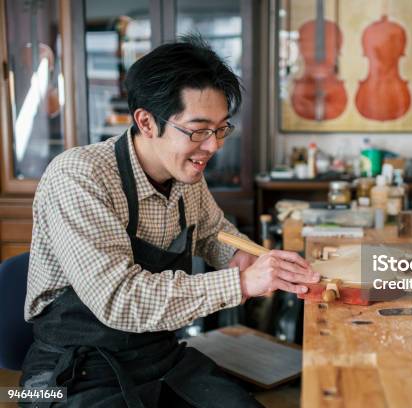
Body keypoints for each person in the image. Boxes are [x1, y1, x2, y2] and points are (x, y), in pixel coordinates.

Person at [20, 34, 319, 407]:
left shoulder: (185, 172)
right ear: (146, 121)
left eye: (221, 128)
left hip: (159, 353)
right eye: (198, 130)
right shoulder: (79, 177)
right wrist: (240, 283)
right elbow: (119, 299)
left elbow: (214, 233)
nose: (213, 146)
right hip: (74, 369)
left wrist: (243, 258)